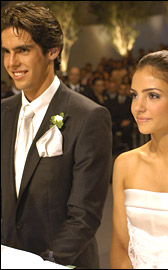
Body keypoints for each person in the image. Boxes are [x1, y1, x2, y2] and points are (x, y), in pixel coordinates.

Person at [1, 2, 112, 269]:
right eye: (5, 52)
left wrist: (43, 264)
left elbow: (84, 216)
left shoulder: (89, 116)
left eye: (23, 51)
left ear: (53, 51)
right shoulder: (2, 113)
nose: (11, 63)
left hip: (61, 264)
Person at [110, 50, 168, 269]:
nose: (138, 106)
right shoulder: (125, 164)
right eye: (135, 95)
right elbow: (121, 247)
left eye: (152, 95)